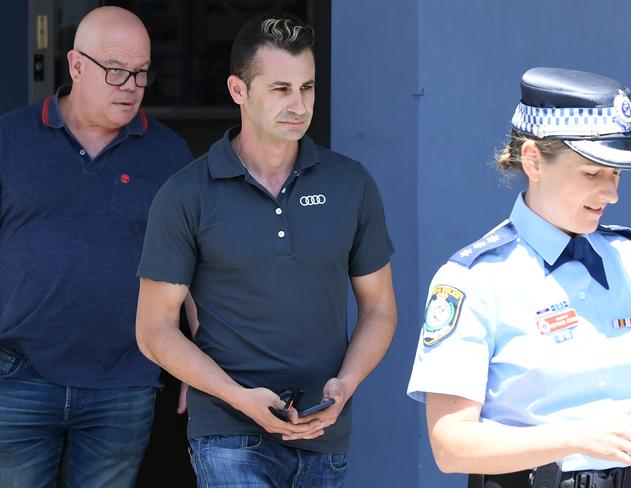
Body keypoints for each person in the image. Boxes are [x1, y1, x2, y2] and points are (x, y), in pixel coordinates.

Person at [135, 14, 397, 488]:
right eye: (280, 89)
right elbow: (153, 329)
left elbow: (379, 308)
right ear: (239, 91)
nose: (299, 105)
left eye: (307, 88)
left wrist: (347, 383)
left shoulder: (350, 184)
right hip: (230, 434)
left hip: (322, 430)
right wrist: (237, 396)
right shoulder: (186, 194)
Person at [407, 67, 631, 488]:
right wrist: (576, 436)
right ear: (534, 160)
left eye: (616, 175)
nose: (612, 194)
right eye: (592, 174)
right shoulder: (475, 278)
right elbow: (450, 446)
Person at [0, 6, 192, 487]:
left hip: (125, 376)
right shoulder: (9, 139)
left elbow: (194, 266)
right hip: (17, 373)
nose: (129, 85)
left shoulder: (169, 154)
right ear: (76, 65)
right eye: (114, 70)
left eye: (140, 73)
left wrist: (197, 360)